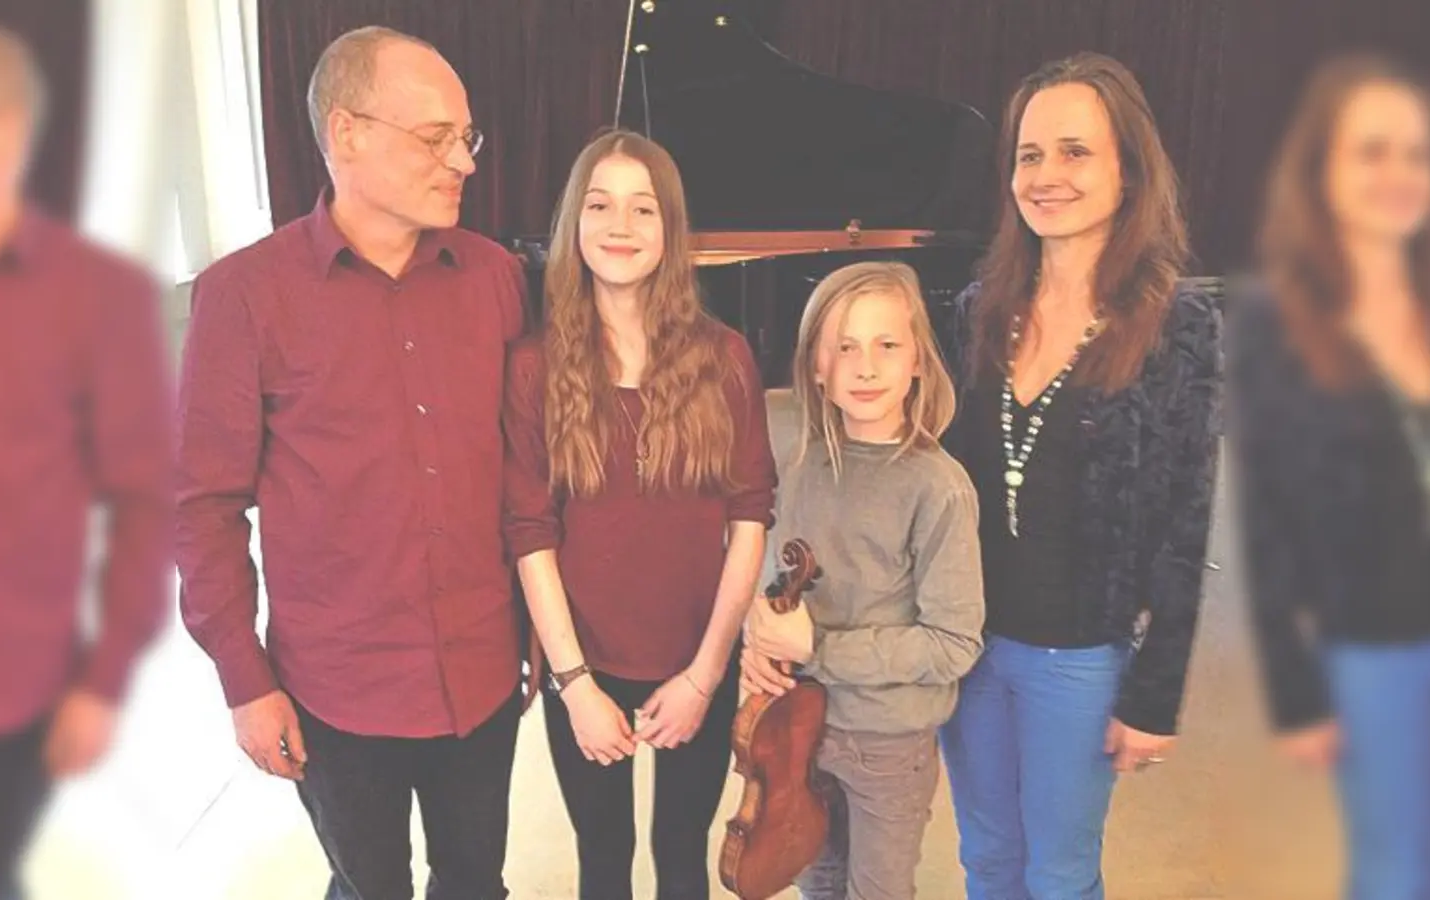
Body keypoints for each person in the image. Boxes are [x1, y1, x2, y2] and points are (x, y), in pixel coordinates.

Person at [176, 26, 525, 900]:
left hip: (483, 672)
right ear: (347, 134)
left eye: (466, 139)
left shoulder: (497, 280)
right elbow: (203, 508)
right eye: (436, 138)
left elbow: (533, 472)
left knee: (477, 881)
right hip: (337, 686)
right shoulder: (244, 297)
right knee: (369, 887)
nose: (464, 163)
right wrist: (245, 681)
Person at [937, 52, 1222, 900]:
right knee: (987, 860)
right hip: (971, 647)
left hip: (1079, 657)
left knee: (1059, 874)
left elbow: (1187, 522)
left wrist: (1154, 695)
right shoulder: (976, 310)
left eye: (1075, 152)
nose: (1046, 175)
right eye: (1030, 155)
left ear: (1129, 171)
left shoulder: (1178, 322)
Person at [0, 23, 171, 900]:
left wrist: (104, 680)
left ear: (5, 137)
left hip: (13, 689)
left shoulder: (99, 299)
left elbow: (147, 502)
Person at [1231, 53, 1430, 900]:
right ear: (1321, 169)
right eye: (1371, 151)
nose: (1398, 175)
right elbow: (1266, 521)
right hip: (1370, 649)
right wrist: (1296, 692)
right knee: (1389, 874)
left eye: (1415, 155)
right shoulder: (1277, 320)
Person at [501, 129, 775, 900]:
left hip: (697, 660)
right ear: (573, 223)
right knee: (603, 859)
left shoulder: (724, 359)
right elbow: (531, 534)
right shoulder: (534, 364)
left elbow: (749, 517)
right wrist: (575, 685)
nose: (620, 226)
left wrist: (706, 674)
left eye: (642, 208)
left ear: (670, 228)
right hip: (584, 666)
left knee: (682, 854)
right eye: (599, 204)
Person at [745, 261, 984, 900]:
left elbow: (953, 644)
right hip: (803, 733)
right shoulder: (803, 466)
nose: (866, 366)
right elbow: (779, 584)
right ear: (817, 369)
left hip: (888, 742)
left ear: (918, 364)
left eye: (887, 345)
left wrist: (819, 650)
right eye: (844, 347)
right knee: (816, 879)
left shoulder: (938, 487)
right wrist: (760, 634)